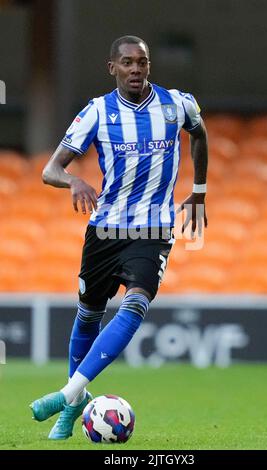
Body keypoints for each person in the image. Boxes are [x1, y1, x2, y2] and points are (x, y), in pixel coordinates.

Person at [30, 35, 208, 439]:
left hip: (154, 228)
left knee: (137, 302)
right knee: (89, 314)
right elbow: (50, 170)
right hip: (105, 229)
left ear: (149, 66)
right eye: (127, 62)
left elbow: (199, 133)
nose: (135, 69)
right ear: (112, 67)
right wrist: (73, 180)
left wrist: (199, 191)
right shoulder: (97, 112)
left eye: (142, 62)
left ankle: (67, 394)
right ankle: (69, 413)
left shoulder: (176, 103)